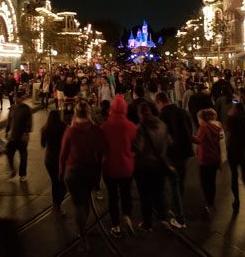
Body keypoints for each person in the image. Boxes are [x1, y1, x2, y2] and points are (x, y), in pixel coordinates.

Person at [59, 101, 108, 251]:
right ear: (88, 113)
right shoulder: (94, 129)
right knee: (85, 200)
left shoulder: (70, 131)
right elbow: (103, 148)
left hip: (72, 172)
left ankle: (81, 230)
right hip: (89, 171)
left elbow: (63, 154)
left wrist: (61, 172)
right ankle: (83, 227)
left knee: (77, 202)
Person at [100, 95, 137, 237]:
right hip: (127, 165)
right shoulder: (131, 126)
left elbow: (101, 146)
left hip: (109, 165)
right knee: (126, 193)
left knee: (113, 196)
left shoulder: (105, 126)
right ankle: (127, 216)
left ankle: (116, 226)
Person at [132, 102, 171, 232]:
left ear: (140, 114)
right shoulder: (162, 125)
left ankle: (147, 223)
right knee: (159, 193)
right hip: (159, 165)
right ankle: (164, 219)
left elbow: (138, 148)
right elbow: (169, 142)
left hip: (144, 166)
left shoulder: (140, 129)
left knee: (145, 195)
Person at [156, 91, 192, 229]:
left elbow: (163, 136)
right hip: (185, 151)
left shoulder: (163, 115)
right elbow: (189, 130)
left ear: (159, 102)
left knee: (173, 184)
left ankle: (179, 217)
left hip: (172, 154)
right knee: (180, 181)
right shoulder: (182, 112)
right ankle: (177, 207)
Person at [226, 99, 245, 212]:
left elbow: (229, 133)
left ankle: (237, 200)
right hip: (243, 151)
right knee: (244, 176)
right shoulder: (244, 120)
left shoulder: (231, 120)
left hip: (233, 150)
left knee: (234, 176)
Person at [191, 108, 222, 213]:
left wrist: (189, 136)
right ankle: (211, 202)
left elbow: (199, 140)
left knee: (205, 182)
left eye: (198, 118)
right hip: (215, 158)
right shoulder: (215, 127)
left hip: (205, 159)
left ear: (201, 118)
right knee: (212, 181)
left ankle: (209, 203)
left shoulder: (203, 128)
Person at [41, 110, 68, 216]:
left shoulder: (45, 128)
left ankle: (55, 205)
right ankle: (57, 205)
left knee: (55, 183)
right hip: (60, 160)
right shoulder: (64, 127)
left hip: (49, 160)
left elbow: (43, 144)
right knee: (63, 185)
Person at [5, 90, 33, 181]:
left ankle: (22, 174)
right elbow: (9, 121)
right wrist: (6, 131)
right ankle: (13, 169)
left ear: (21, 98)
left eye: (17, 97)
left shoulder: (26, 109)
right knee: (8, 152)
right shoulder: (12, 108)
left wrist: (26, 133)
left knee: (23, 156)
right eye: (14, 97)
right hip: (12, 136)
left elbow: (29, 122)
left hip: (21, 136)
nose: (15, 99)